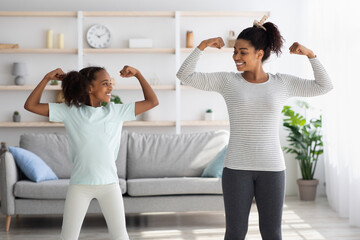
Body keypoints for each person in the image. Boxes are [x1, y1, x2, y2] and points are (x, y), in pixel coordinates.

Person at [176, 16, 333, 240]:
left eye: (242, 52)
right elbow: (184, 76)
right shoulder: (228, 81)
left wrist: (311, 55)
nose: (236, 57)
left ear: (259, 54)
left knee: (271, 233)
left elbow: (324, 86)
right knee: (235, 233)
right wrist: (201, 47)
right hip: (236, 168)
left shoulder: (282, 83)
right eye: (235, 51)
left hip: (272, 168)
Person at [24, 65, 159, 240]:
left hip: (110, 185)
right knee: (68, 237)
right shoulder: (70, 111)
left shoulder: (116, 111)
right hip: (80, 186)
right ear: (89, 87)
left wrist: (139, 74)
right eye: (105, 83)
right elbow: (30, 105)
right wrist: (46, 79)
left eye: (110, 83)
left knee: (120, 236)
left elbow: (152, 101)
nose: (110, 87)